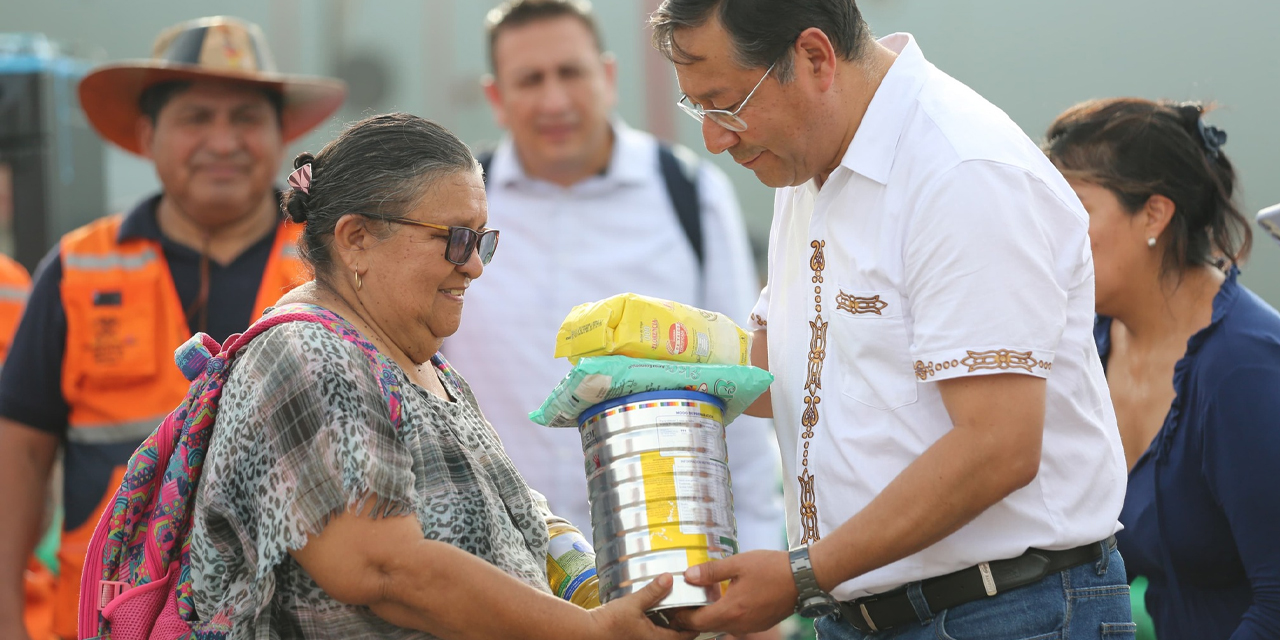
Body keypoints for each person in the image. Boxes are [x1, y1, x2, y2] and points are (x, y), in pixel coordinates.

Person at [647, 1, 1133, 638]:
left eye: (726, 103)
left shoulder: (960, 169)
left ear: (815, 58)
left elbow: (999, 445)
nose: (714, 137)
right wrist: (635, 370)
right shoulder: (807, 162)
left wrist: (801, 574)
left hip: (1006, 610)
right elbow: (785, 371)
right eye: (698, 110)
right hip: (869, 612)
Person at [190, 112, 692, 640]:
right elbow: (387, 570)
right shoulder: (305, 354)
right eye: (454, 239)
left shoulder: (416, 358)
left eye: (482, 241)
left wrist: (607, 593)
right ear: (356, 238)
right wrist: (593, 633)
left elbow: (522, 521)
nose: (474, 265)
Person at [0, 16, 345, 640]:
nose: (223, 140)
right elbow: (19, 454)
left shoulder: (339, 261)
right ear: (147, 134)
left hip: (295, 616)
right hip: (105, 616)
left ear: (280, 135)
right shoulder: (77, 268)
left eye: (245, 117)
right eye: (196, 118)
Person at [447, 0, 785, 566]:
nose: (554, 100)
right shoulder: (461, 213)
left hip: (664, 558)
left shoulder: (689, 193)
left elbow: (742, 380)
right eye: (530, 80)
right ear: (496, 98)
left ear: (607, 77)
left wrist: (749, 552)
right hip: (503, 570)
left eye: (570, 73)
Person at [1045, 98, 1280, 640]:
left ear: (1154, 214)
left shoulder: (1244, 367)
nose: (1049, 237)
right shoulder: (1094, 343)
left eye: (1072, 211)